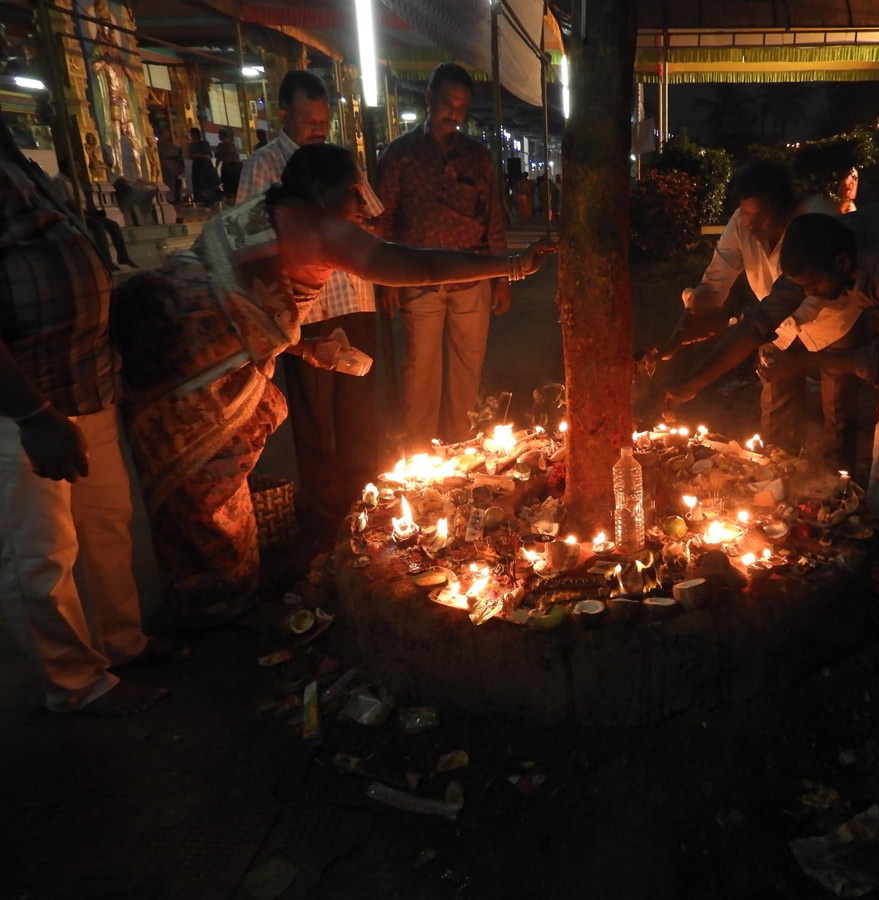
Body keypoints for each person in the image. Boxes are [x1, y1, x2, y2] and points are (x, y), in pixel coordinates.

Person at [111, 144, 555, 627]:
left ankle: (194, 604)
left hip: (154, 345)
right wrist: (512, 265)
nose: (359, 206)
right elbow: (420, 267)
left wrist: (303, 346)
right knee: (207, 494)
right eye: (351, 192)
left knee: (182, 493)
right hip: (193, 371)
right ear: (322, 193)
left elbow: (243, 307)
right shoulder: (322, 231)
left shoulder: (258, 211)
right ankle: (221, 615)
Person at [667, 202, 879, 570]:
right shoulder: (816, 255)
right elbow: (756, 324)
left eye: (813, 285)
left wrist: (803, 361)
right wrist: (693, 383)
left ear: (843, 264)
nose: (808, 293)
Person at [0, 120, 184, 718]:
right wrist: (32, 413)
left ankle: (120, 643)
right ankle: (76, 681)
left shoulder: (17, 161)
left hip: (88, 384)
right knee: (43, 551)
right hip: (27, 404)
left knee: (107, 523)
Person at [238, 70, 385, 529]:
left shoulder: (342, 163)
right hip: (303, 311)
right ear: (284, 113)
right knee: (313, 414)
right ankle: (324, 507)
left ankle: (363, 498)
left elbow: (376, 219)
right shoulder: (263, 165)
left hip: (351, 297)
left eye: (322, 122)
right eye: (308, 121)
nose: (317, 130)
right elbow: (248, 241)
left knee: (358, 406)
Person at [658, 159, 867, 471]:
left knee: (837, 411)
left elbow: (810, 300)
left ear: (785, 208)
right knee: (777, 406)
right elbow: (714, 284)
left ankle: (839, 494)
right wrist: (680, 334)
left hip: (832, 322)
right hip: (773, 324)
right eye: (746, 214)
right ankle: (777, 479)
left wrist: (748, 329)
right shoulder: (743, 223)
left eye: (761, 216)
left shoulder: (816, 217)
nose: (751, 224)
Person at [376, 63, 510, 446]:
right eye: (449, 103)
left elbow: (493, 220)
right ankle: (419, 450)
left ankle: (459, 445)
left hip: (471, 279)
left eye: (463, 107)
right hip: (418, 279)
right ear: (429, 97)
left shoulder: (477, 157)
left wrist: (501, 280)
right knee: (421, 368)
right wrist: (385, 282)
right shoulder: (400, 155)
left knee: (468, 368)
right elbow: (383, 220)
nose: (455, 113)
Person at [50, 156, 137, 269]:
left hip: (84, 211)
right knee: (98, 226)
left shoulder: (74, 181)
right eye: (76, 166)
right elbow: (65, 203)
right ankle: (106, 259)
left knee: (113, 225)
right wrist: (83, 211)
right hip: (72, 214)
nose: (79, 169)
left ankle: (123, 256)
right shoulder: (59, 181)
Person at [186, 127, 220, 205]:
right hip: (200, 166)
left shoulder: (201, 144)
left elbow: (208, 155)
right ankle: (204, 199)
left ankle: (208, 199)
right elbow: (192, 155)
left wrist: (201, 156)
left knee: (205, 183)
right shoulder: (194, 145)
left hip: (204, 166)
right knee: (201, 183)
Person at [156, 130, 185, 203]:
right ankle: (170, 198)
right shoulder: (161, 144)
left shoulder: (169, 144)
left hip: (172, 167)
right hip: (166, 166)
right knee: (169, 183)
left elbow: (176, 153)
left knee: (173, 183)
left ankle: (172, 198)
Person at [214, 127, 241, 200]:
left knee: (228, 187)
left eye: (219, 135)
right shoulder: (232, 145)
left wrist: (215, 168)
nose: (218, 136)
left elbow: (218, 158)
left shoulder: (221, 146)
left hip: (227, 168)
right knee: (234, 187)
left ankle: (231, 201)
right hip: (235, 168)